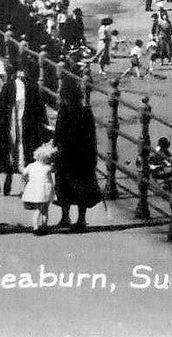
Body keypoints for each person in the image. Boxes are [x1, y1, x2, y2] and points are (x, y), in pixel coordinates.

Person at [53, 76, 103, 232]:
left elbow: (58, 134)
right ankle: (81, 219)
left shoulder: (64, 112)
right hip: (83, 156)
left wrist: (55, 148)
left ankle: (65, 217)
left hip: (66, 155)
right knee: (82, 187)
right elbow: (92, 137)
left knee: (64, 186)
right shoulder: (86, 112)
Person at [0, 68, 49, 196]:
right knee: (11, 152)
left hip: (27, 125)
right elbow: (1, 107)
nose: (23, 74)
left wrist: (43, 125)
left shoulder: (32, 87)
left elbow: (39, 108)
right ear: (16, 72)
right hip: (11, 124)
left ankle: (26, 185)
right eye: (20, 71)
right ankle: (9, 177)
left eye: (25, 71)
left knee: (26, 152)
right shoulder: (9, 86)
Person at [21, 144, 56, 235]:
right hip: (45, 191)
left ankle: (36, 226)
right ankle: (43, 226)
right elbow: (54, 169)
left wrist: (26, 180)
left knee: (37, 209)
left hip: (34, 191)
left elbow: (24, 174)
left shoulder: (31, 166)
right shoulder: (47, 167)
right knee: (45, 210)